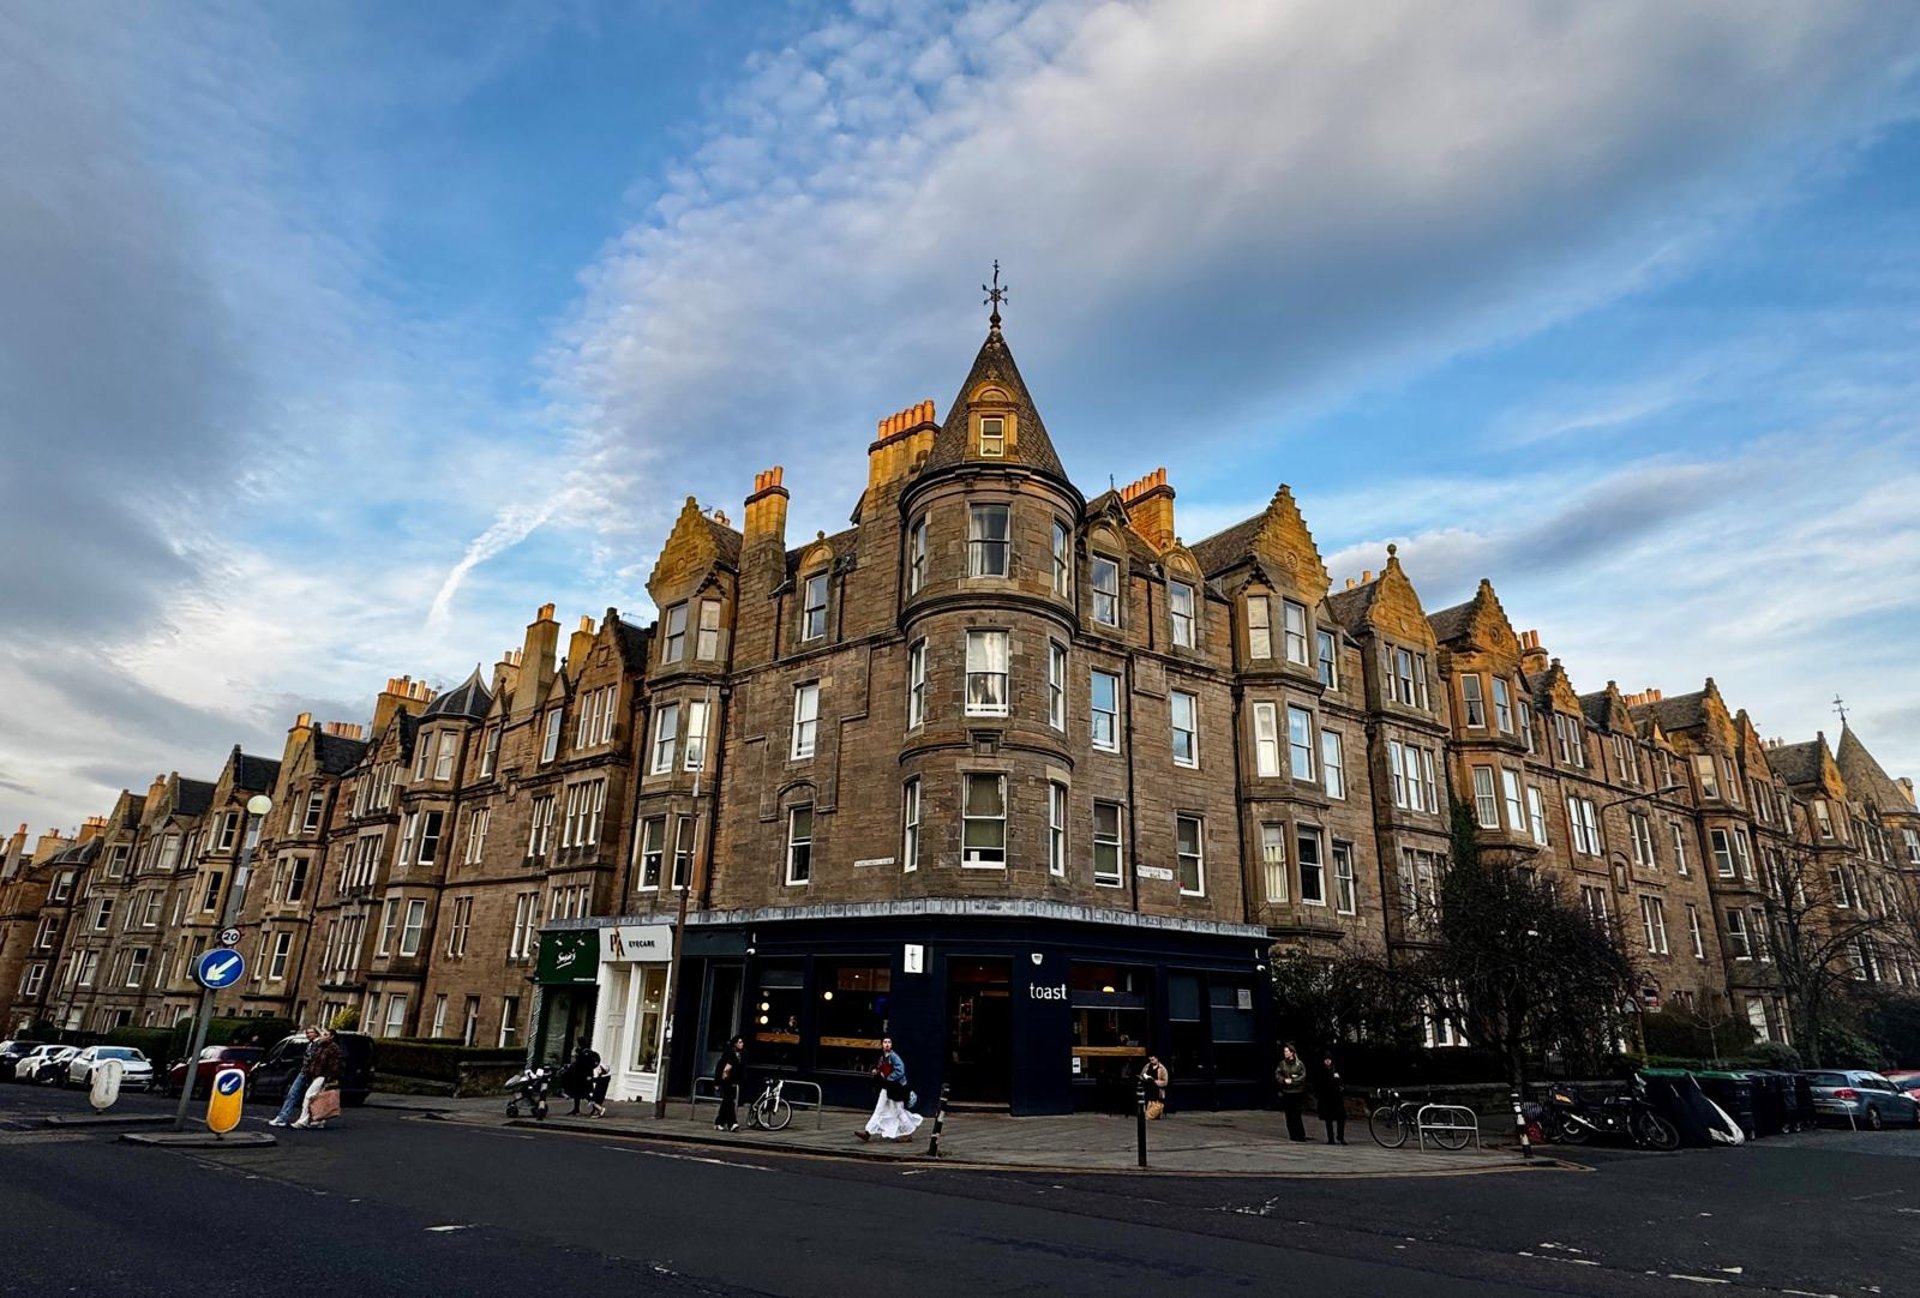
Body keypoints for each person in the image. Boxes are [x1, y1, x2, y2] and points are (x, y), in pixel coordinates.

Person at [857, 1035, 922, 1143]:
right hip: (887, 1087)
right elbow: (880, 1069)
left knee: (899, 1111)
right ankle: (867, 1132)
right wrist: (876, 1071)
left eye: (889, 1042)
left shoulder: (894, 1057)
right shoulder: (883, 1057)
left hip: (896, 1088)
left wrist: (888, 1078)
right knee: (878, 1109)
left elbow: (900, 1071)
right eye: (885, 1042)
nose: (887, 1044)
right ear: (882, 1044)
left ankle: (908, 1132)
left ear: (892, 1045)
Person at [268, 1026, 320, 1128]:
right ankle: (283, 1117)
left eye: (310, 1032)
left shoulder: (318, 1044)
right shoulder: (310, 1044)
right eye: (307, 1033)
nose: (308, 1035)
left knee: (308, 1097)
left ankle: (312, 1119)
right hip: (305, 1072)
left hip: (311, 1073)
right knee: (293, 1094)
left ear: (316, 1033)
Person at [292, 1029, 342, 1130]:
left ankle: (303, 1120)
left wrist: (328, 1077)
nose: (322, 1035)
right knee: (319, 1098)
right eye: (323, 1033)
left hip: (323, 1076)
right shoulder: (321, 1046)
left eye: (325, 1034)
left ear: (331, 1037)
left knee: (309, 1096)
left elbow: (334, 1065)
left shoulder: (333, 1048)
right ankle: (318, 1120)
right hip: (315, 1075)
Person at [1275, 1043, 1309, 1142]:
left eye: (1287, 1051)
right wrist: (1283, 1080)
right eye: (1284, 1051)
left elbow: (1303, 1076)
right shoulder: (1282, 1064)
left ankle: (1300, 1134)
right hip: (1287, 1092)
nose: (1285, 1053)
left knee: (1297, 1114)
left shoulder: (1299, 1064)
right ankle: (1292, 1134)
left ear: (1292, 1052)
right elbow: (1278, 1073)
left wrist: (1293, 1081)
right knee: (1289, 1114)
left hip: (1297, 1092)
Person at [714, 1035, 745, 1131]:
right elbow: (721, 1068)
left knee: (726, 1102)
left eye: (742, 1042)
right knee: (729, 1101)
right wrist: (717, 1082)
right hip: (726, 1081)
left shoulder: (741, 1054)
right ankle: (732, 1123)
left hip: (733, 1081)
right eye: (740, 1042)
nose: (742, 1044)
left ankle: (719, 1122)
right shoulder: (729, 1054)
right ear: (735, 1044)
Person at [1315, 1053, 1347, 1145]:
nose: (1327, 1061)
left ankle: (1340, 1137)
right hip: (1326, 1098)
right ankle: (1331, 1138)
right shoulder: (1321, 1071)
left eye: (1329, 1059)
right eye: (1326, 1059)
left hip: (1337, 1098)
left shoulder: (1336, 1069)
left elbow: (1342, 1081)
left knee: (1341, 1118)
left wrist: (1341, 1087)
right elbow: (1318, 1084)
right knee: (1328, 1120)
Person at [561, 1041, 600, 1116]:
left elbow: (579, 1065)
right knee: (579, 1094)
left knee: (585, 1094)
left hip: (581, 1077)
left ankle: (597, 1108)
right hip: (582, 1077)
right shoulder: (585, 1052)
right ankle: (577, 1109)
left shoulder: (584, 1053)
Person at [1139, 1052, 1170, 1119]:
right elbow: (1141, 1075)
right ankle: (1146, 1113)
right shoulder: (1147, 1066)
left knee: (1155, 1101)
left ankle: (1152, 1114)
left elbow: (1165, 1082)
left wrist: (1155, 1081)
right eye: (1150, 1060)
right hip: (1147, 1086)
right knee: (1145, 1098)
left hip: (1156, 1088)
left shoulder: (1162, 1068)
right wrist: (1144, 1078)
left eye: (1152, 1060)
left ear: (1157, 1059)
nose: (1151, 1061)